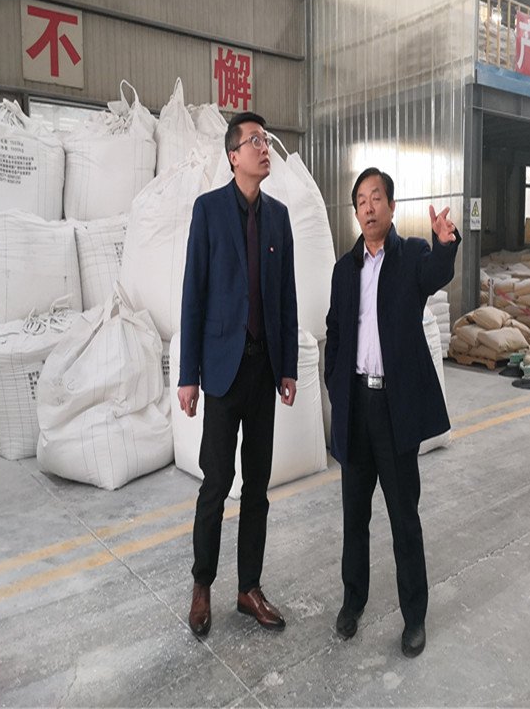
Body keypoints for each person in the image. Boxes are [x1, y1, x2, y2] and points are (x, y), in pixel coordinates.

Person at [324, 166, 460, 658]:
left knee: (404, 518)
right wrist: (335, 383)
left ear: (391, 206)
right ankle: (352, 601)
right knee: (354, 517)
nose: (368, 207)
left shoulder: (412, 257)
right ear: (355, 211)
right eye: (360, 200)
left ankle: (414, 617)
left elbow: (437, 273)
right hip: (356, 406)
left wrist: (446, 243)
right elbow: (335, 330)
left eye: (376, 197)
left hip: (394, 408)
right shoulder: (345, 269)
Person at [177, 111, 298, 638]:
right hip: (223, 371)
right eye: (254, 141)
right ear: (233, 156)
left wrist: (288, 366)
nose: (264, 148)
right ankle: (202, 584)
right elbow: (193, 294)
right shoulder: (208, 211)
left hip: (263, 368)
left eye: (266, 141)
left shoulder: (279, 218)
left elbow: (286, 297)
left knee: (258, 486)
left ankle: (249, 587)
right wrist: (188, 374)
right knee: (216, 483)